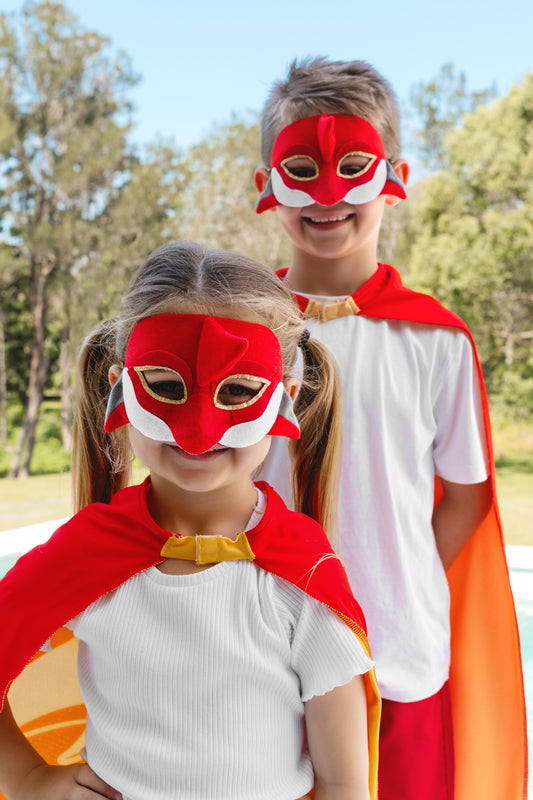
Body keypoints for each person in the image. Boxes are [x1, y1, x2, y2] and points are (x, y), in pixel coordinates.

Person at [0, 241, 380, 800]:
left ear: (285, 398)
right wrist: (29, 779)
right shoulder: (84, 553)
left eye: (239, 390)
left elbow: (344, 783)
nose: (198, 431)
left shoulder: (303, 574)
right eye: (165, 386)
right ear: (119, 387)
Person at [253, 57, 528, 800]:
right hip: (260, 660)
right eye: (302, 170)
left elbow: (467, 496)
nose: (329, 195)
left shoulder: (437, 340)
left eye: (353, 168)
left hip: (397, 659)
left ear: (393, 177)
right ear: (267, 185)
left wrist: (389, 582)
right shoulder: (239, 332)